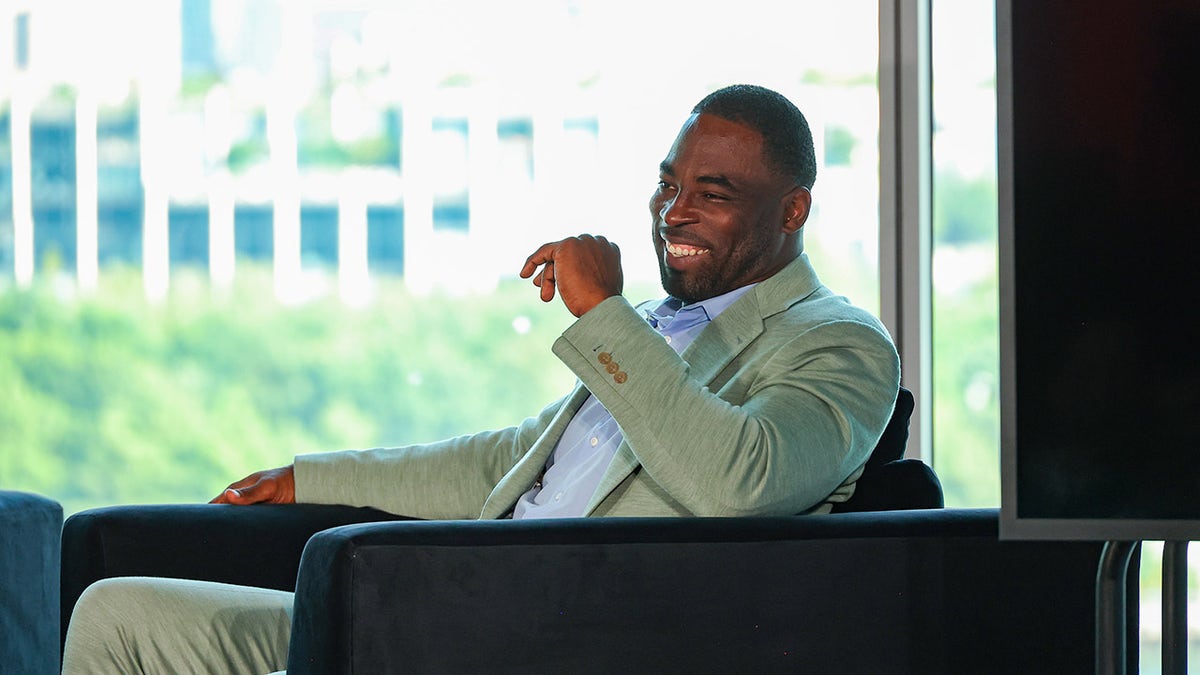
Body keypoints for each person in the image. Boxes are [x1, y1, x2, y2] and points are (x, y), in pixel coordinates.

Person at [62, 84, 900, 674]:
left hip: (559, 636)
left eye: (709, 194)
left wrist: (603, 314)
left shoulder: (841, 344)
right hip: (454, 610)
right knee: (116, 610)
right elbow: (508, 463)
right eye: (667, 184)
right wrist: (314, 478)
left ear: (792, 211)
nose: (671, 213)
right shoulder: (659, 328)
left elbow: (743, 478)